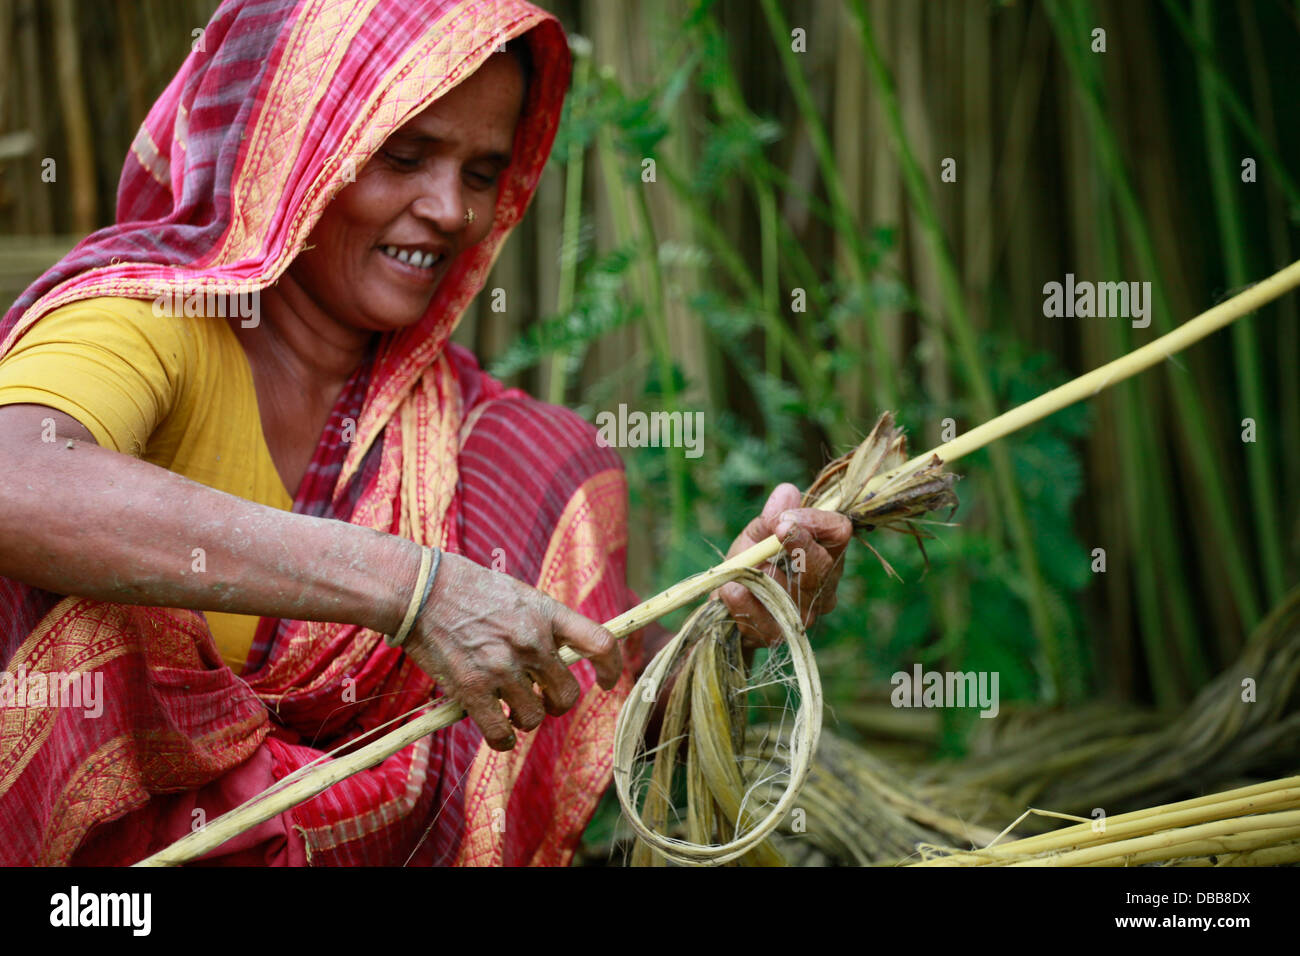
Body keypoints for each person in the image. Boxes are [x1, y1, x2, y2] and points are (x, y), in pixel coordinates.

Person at [0, 0, 850, 866]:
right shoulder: (152, 326)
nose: (449, 210)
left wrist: (739, 618)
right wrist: (413, 589)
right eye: (403, 158)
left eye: (483, 173)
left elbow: (583, 696)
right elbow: (15, 480)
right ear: (292, 154)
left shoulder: (486, 448)